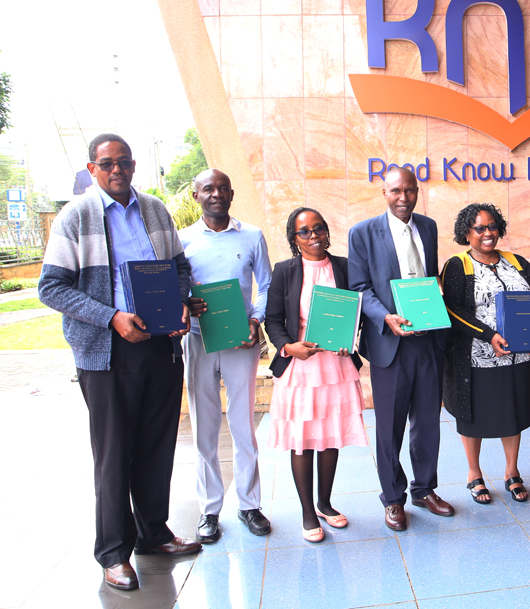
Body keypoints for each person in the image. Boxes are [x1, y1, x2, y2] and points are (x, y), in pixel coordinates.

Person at [38, 134, 200, 591]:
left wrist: (181, 301)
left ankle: (153, 533)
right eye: (107, 163)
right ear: (92, 169)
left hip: (161, 345)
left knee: (157, 445)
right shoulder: (76, 216)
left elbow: (180, 267)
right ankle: (113, 552)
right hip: (107, 351)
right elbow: (51, 288)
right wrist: (111, 318)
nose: (117, 170)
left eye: (124, 162)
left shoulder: (154, 209)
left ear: (133, 166)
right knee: (114, 454)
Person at [347, 167, 454, 531]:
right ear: (384, 192)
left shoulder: (428, 226)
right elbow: (360, 287)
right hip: (389, 343)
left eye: (409, 190)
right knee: (389, 426)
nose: (403, 198)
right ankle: (393, 499)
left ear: (417, 191)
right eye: (396, 191)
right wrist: (386, 317)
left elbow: (430, 274)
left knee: (427, 423)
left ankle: (424, 489)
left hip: (428, 341)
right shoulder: (362, 233)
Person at [264, 207, 368, 543]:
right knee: (302, 441)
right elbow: (273, 320)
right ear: (294, 239)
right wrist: (288, 346)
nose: (314, 237)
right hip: (300, 368)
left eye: (319, 229)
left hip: (335, 365)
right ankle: (308, 511)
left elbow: (358, 313)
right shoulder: (285, 271)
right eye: (304, 232)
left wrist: (349, 339)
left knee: (330, 437)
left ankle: (325, 502)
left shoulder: (345, 267)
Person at [181, 169, 272, 543]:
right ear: (195, 195)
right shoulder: (180, 239)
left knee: (243, 423)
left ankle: (250, 504)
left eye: (222, 188)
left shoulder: (251, 235)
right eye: (208, 189)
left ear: (231, 194)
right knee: (204, 426)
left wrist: (256, 319)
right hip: (199, 340)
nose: (215, 194)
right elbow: (176, 287)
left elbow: (265, 285)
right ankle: (209, 510)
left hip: (240, 341)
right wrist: (185, 303)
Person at [441, 203, 530, 504]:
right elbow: (453, 310)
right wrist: (489, 335)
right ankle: (474, 474)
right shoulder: (457, 264)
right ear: (467, 233)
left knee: (512, 414)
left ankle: (512, 472)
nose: (487, 233)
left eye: (492, 226)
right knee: (472, 416)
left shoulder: (516, 262)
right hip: (477, 359)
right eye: (480, 228)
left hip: (519, 358)